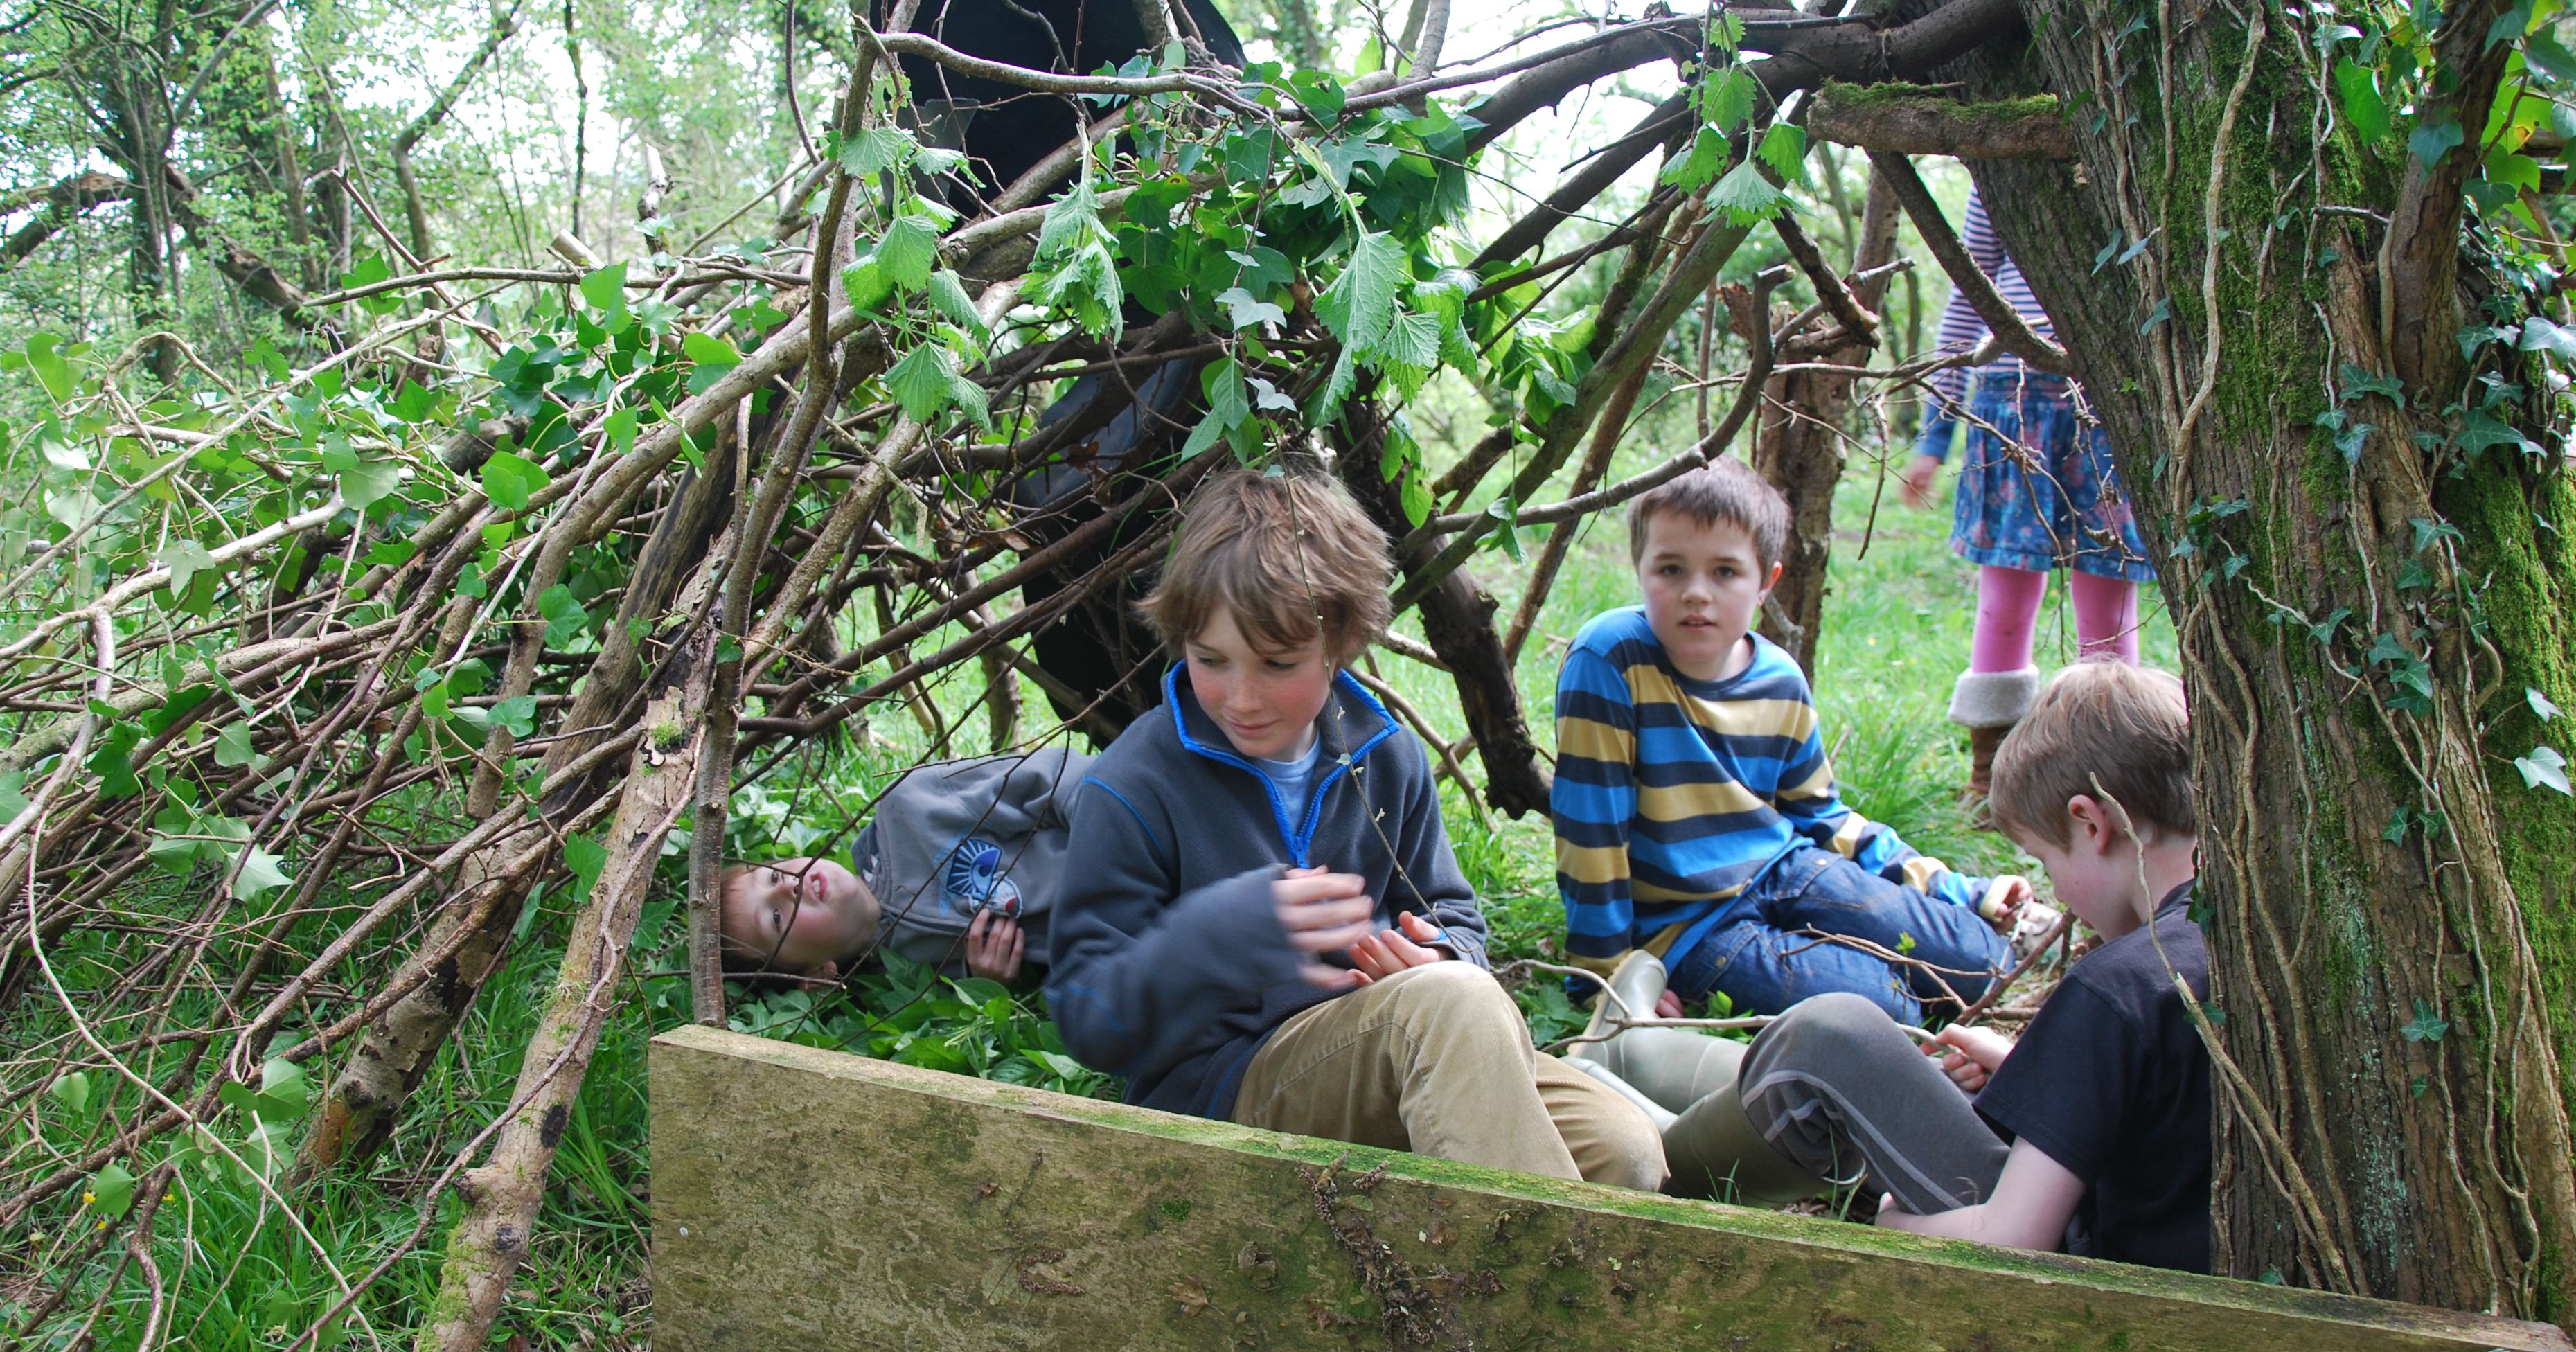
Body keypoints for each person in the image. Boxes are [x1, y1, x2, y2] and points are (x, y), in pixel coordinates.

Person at [1046, 467, 1665, 1191]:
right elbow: (1088, 1021)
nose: (1240, 697)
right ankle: (1513, 1288)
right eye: (1210, 660)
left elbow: (1450, 913)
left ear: (1340, 644)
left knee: (1622, 1149)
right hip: (1230, 1087)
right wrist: (1212, 937)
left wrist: (1438, 954)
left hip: (1393, 1042)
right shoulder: (1134, 785)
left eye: (1278, 664)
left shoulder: (1384, 755)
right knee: (1450, 1008)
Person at [1652, 661, 2215, 1275]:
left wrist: (1896, 1226)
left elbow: (2012, 1240)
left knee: (1829, 1040)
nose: (2055, 887)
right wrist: (2042, 1075)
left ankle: (1638, 1170)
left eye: (2045, 859)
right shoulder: (2235, 941)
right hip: (2134, 1242)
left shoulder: (2116, 986)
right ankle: (1632, 1097)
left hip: (2084, 1279)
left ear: (2091, 822)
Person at [1553, 461, 2028, 1026]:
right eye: (1671, 569)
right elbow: (1591, 829)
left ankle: (1888, 959)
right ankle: (1871, 986)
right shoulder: (1610, 659)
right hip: (1688, 924)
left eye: (1725, 572)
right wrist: (1606, 971)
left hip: (1787, 870)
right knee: (1888, 1011)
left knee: (1984, 962)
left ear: (1766, 582)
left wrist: (1959, 890)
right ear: (1640, 569)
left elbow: (1823, 817)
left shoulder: (1778, 677)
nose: (1696, 594)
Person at [1906, 186, 2155, 805]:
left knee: (2107, 599)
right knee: (2008, 596)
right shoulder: (1993, 170)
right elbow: (1970, 293)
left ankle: (2112, 769)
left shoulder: (2125, 148)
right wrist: (1935, 433)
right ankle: (1994, 777)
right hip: (2009, 400)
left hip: (2108, 399)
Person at [720, 744, 1087, 984]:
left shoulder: (910, 809)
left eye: (772, 876)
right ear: (816, 977)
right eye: (776, 918)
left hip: (1124, 839)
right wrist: (987, 983)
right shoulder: (913, 982)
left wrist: (1113, 834)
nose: (789, 886)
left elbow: (1049, 774)